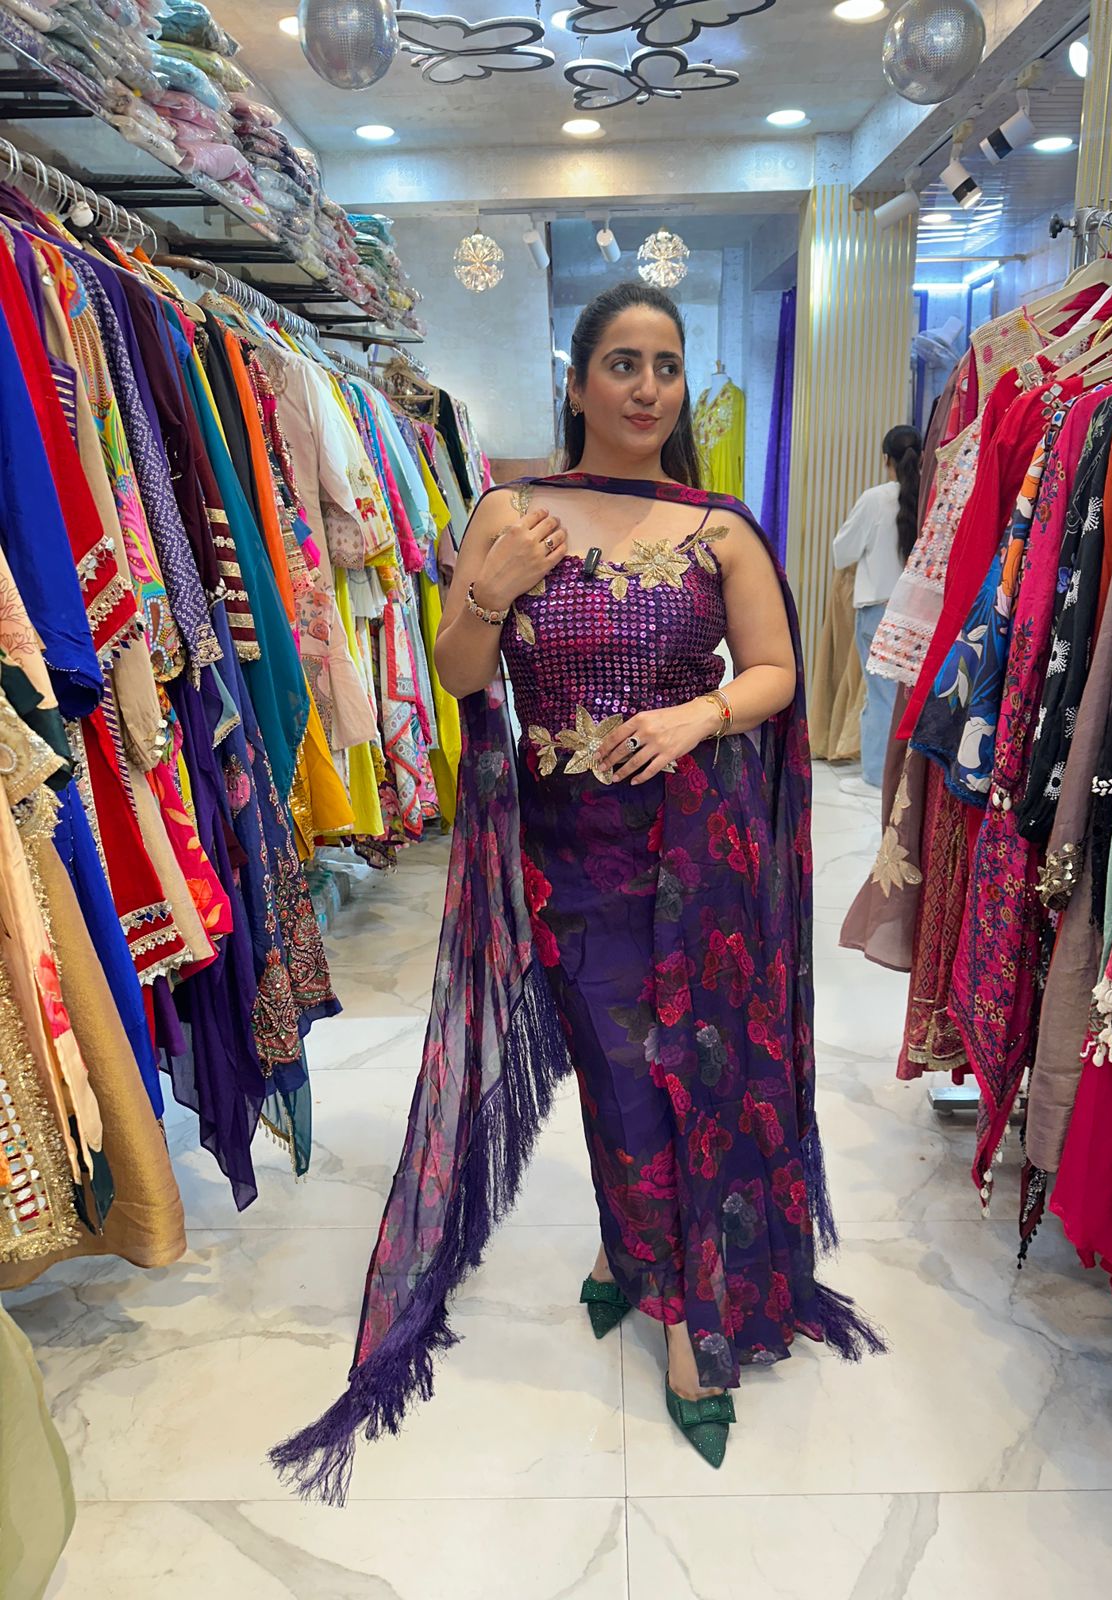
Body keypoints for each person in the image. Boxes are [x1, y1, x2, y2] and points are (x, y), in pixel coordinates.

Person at [272, 282, 881, 1502]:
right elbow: (459, 673)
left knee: (693, 1065)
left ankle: (687, 1304)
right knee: (618, 1070)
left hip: (696, 849)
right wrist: (488, 589)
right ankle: (636, 1254)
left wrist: (699, 713)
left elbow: (774, 671)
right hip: (566, 853)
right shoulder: (512, 511)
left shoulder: (719, 528)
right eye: (624, 363)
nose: (648, 388)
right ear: (580, 380)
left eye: (667, 365)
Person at [832, 424, 922, 796]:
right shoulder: (929, 493)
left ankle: (876, 776)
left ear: (886, 458)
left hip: (879, 610)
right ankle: (905, 776)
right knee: (911, 697)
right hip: (918, 612)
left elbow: (843, 551)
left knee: (881, 696)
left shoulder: (875, 499)